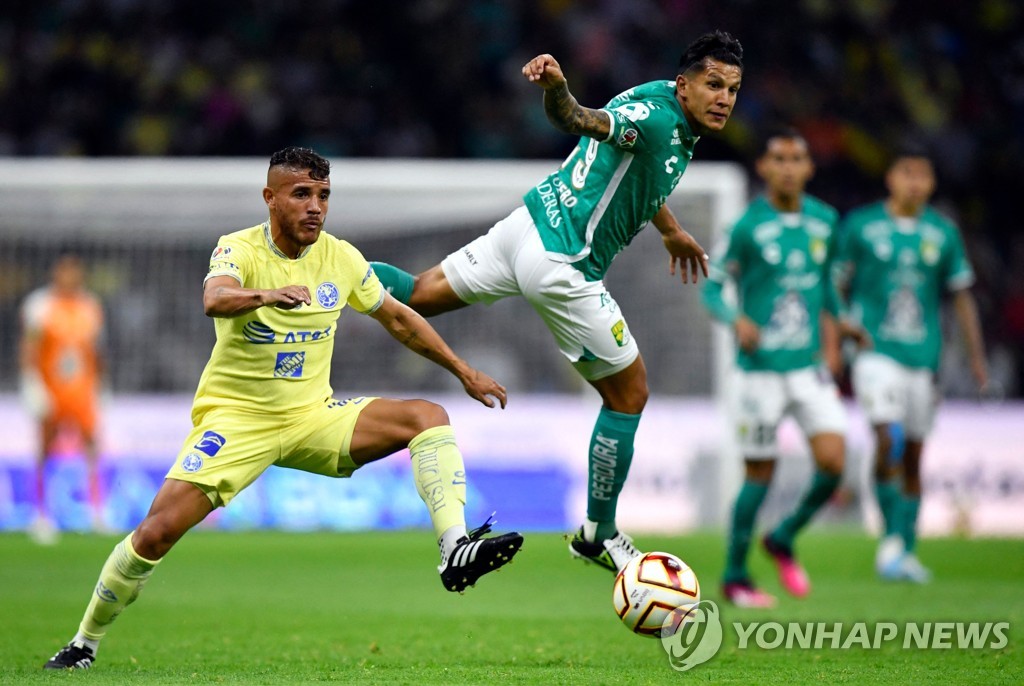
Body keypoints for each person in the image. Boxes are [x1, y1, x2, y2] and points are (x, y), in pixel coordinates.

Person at [43, 147, 523, 670]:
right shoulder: (238, 249)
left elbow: (400, 318)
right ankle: (82, 644)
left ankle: (454, 547)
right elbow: (215, 298)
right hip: (237, 421)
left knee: (428, 417)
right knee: (154, 534)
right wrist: (266, 294)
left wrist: (463, 370)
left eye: (323, 196)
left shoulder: (341, 257)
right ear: (270, 199)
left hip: (311, 417)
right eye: (301, 194)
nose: (315, 206)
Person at [370, 31, 743, 574]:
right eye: (714, 85)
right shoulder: (659, 120)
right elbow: (580, 120)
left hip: (527, 226)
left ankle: (323, 276)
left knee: (418, 294)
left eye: (732, 88)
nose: (725, 98)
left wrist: (671, 229)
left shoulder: (664, 103)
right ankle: (599, 532)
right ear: (685, 85)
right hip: (563, 264)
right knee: (629, 394)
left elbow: (639, 170)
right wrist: (558, 88)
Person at [701, 130, 850, 608]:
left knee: (833, 462)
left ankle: (783, 535)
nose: (788, 167)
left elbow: (826, 286)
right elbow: (711, 288)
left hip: (808, 367)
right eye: (778, 158)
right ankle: (735, 575)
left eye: (797, 159)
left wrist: (839, 333)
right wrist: (734, 317)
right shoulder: (745, 226)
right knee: (759, 475)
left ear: (809, 168)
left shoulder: (826, 221)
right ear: (763, 168)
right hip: (759, 370)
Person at [835, 146, 988, 584]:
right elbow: (836, 285)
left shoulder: (942, 233)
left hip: (923, 359)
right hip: (874, 352)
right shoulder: (861, 227)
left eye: (922, 176)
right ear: (891, 178)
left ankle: (906, 548)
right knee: (889, 438)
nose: (914, 183)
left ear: (932, 183)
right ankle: (890, 543)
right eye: (907, 174)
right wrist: (838, 333)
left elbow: (960, 297)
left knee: (915, 458)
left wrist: (975, 359)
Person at [20, 254, 107, 543]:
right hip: (52, 388)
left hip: (82, 389)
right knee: (44, 449)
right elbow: (29, 346)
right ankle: (41, 515)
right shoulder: (40, 305)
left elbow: (96, 349)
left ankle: (96, 512)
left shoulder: (90, 306)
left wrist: (101, 386)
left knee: (92, 447)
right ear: (56, 274)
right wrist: (32, 383)